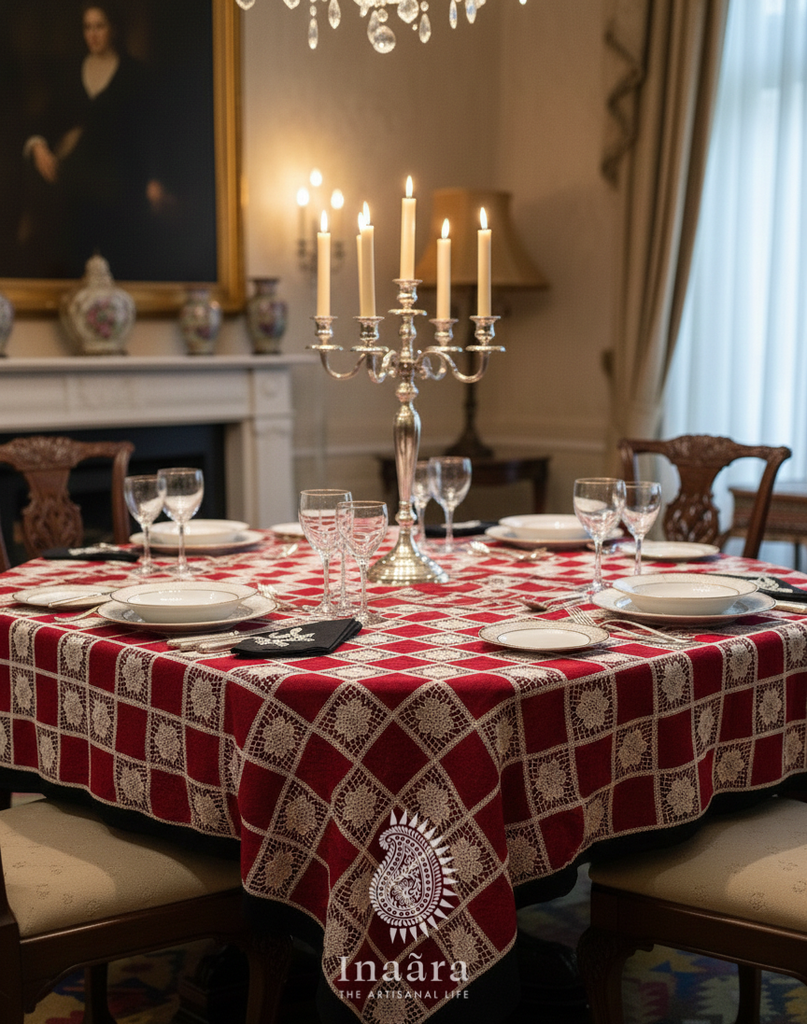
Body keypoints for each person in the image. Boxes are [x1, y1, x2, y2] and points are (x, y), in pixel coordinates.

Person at [20, 2, 166, 280]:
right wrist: (38, 146)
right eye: (88, 27)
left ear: (113, 29)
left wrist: (153, 179)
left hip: (120, 188)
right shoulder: (70, 72)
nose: (93, 34)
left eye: (100, 26)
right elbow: (44, 120)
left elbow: (149, 134)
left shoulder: (135, 75)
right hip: (75, 187)